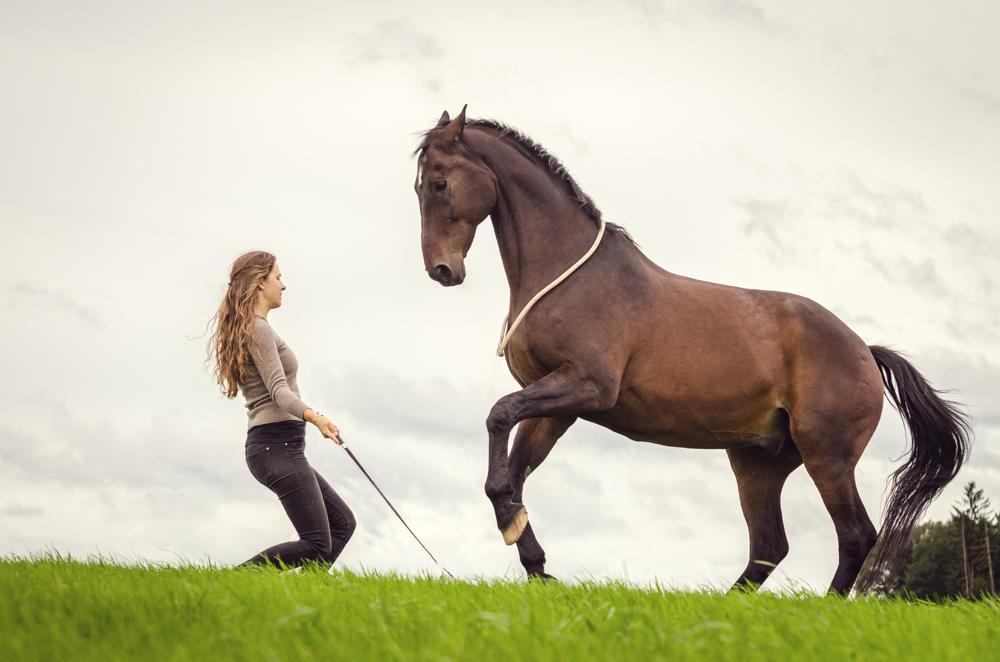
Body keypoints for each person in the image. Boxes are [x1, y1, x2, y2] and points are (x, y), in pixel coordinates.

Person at [206, 250, 356, 569]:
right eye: (278, 277)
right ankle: (233, 581)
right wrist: (317, 418)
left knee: (342, 523)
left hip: (281, 445)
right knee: (316, 541)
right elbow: (279, 392)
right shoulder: (257, 328)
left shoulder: (257, 327)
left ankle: (311, 595)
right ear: (260, 283)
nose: (283, 285)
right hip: (276, 445)